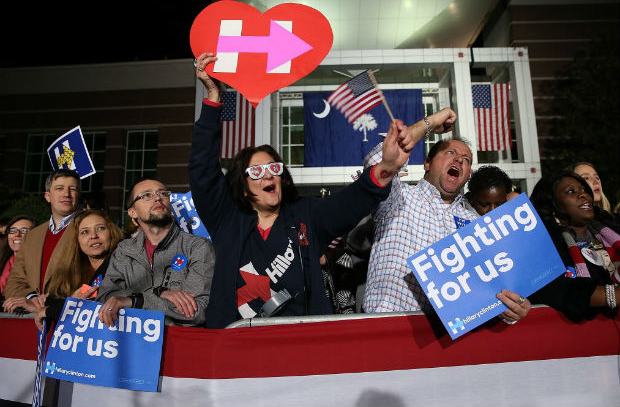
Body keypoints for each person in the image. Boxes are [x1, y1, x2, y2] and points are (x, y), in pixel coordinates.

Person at [189, 53, 415, 328]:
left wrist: (388, 166)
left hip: (301, 347)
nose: (269, 175)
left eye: (274, 169)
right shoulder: (227, 220)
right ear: (244, 186)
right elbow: (202, 171)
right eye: (257, 172)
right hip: (236, 349)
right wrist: (213, 97)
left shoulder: (306, 214)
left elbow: (352, 200)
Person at [363, 137, 531, 324]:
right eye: (450, 153)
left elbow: (493, 289)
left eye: (466, 159)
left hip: (448, 339)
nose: (459, 160)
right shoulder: (398, 197)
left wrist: (511, 308)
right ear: (427, 163)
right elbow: (376, 164)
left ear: (468, 174)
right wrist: (430, 124)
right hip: (389, 327)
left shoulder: (475, 224)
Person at [96, 177, 215, 327]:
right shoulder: (123, 251)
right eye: (146, 195)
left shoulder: (197, 247)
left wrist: (136, 301)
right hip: (132, 343)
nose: (158, 198)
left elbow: (198, 310)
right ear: (132, 212)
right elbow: (105, 298)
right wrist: (158, 292)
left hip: (179, 343)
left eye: (163, 194)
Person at [529, 172, 620, 321]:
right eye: (571, 192)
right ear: (552, 203)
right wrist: (611, 295)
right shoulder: (544, 246)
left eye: (584, 190)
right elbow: (555, 289)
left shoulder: (612, 231)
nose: (583, 195)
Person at [3, 169, 80, 313]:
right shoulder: (32, 236)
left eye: (73, 189)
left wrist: (49, 302)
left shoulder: (87, 231)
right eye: (59, 188)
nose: (66, 194)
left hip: (69, 317)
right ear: (47, 196)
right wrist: (31, 297)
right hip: (31, 322)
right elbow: (14, 281)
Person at [33, 210, 123, 329]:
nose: (93, 236)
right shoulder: (69, 269)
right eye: (85, 232)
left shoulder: (122, 264)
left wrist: (66, 305)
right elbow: (51, 301)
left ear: (111, 232)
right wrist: (68, 303)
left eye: (100, 228)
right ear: (77, 240)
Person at [0, 215, 35, 299]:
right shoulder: (3, 259)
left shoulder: (39, 263)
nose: (17, 234)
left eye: (24, 231)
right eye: (13, 230)